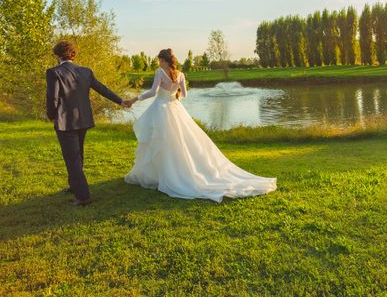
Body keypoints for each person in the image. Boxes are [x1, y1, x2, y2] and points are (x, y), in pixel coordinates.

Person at [124, 48, 276, 202]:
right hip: (175, 108)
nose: (158, 62)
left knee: (161, 141)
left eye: (159, 60)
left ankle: (164, 175)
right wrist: (173, 95)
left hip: (161, 109)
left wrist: (134, 99)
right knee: (177, 142)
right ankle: (169, 173)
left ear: (163, 60)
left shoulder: (159, 72)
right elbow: (184, 94)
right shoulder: (180, 74)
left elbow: (152, 92)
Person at [46, 41, 132, 206]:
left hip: (65, 122)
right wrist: (120, 101)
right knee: (78, 155)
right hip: (83, 119)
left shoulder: (54, 72)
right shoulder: (85, 71)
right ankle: (75, 186)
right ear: (73, 55)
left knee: (72, 158)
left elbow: (53, 98)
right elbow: (102, 88)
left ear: (57, 56)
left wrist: (51, 115)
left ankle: (83, 197)